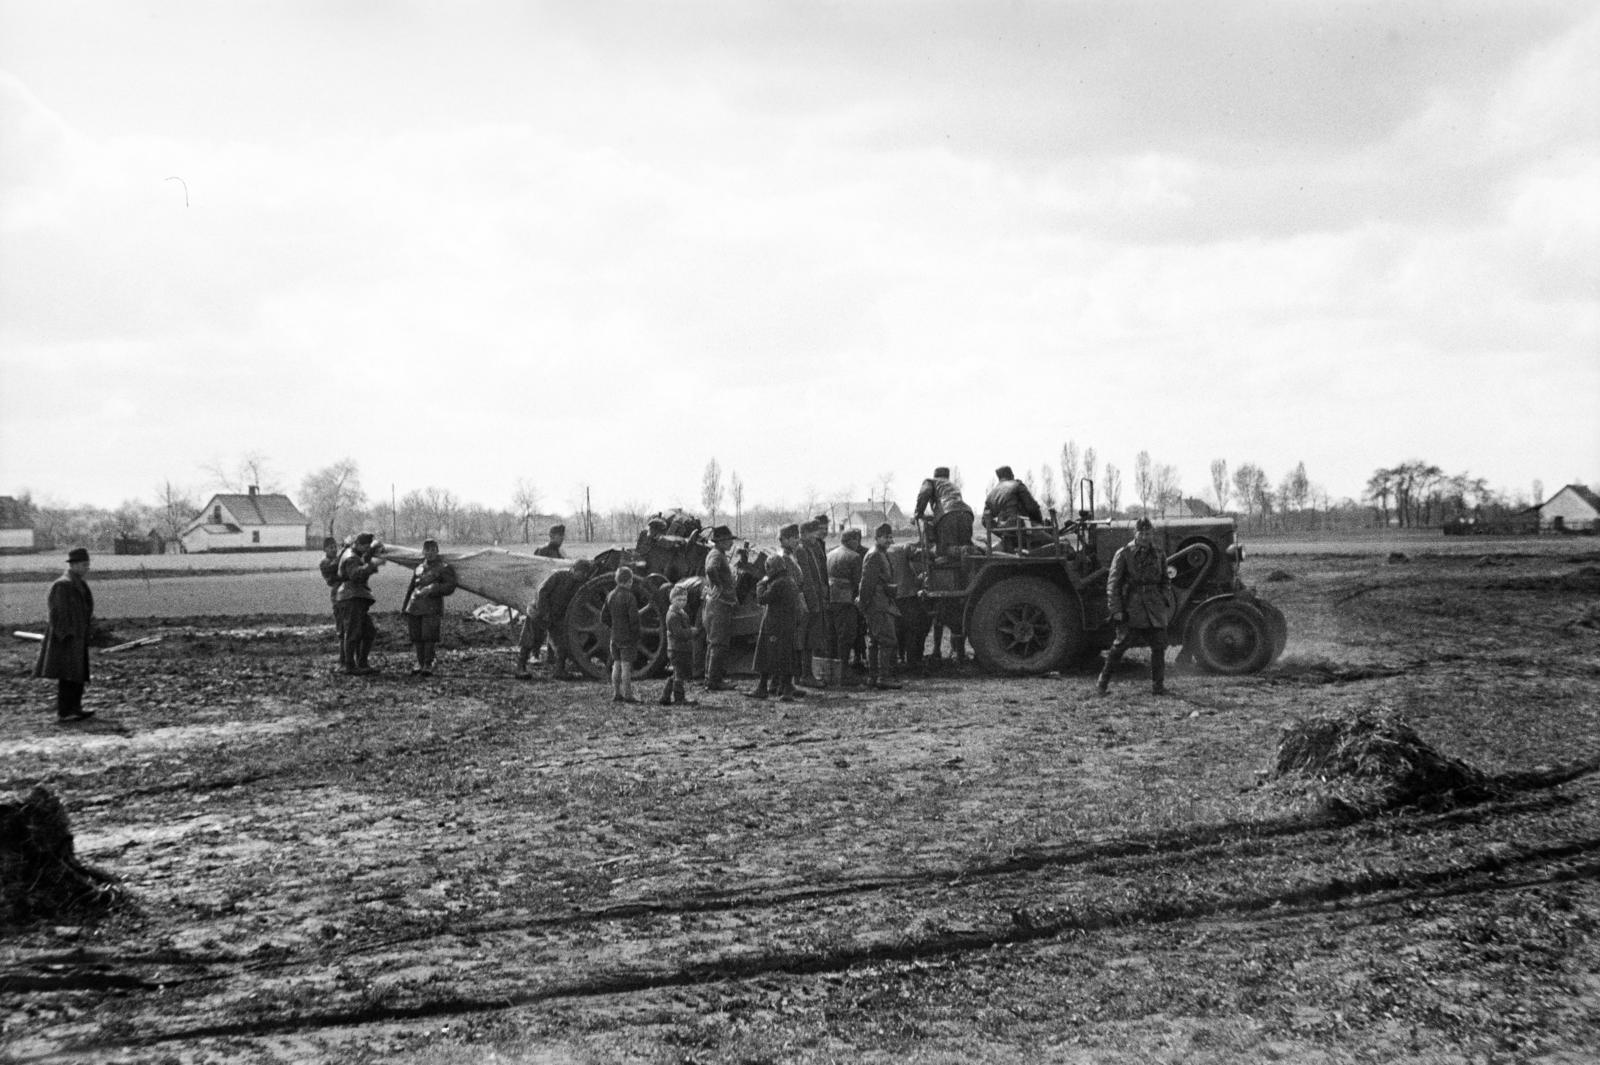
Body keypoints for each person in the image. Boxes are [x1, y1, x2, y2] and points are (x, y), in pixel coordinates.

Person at [1098, 517, 1177, 695]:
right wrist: (1116, 609)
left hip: (1154, 609)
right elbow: (1113, 584)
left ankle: (1158, 686)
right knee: (1119, 647)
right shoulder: (1124, 553)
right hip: (1131, 609)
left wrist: (1164, 597)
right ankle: (1102, 683)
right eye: (1141, 533)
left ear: (1151, 534)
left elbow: (1165, 579)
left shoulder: (1158, 553)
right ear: (1136, 533)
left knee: (1159, 647)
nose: (1144, 537)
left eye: (1148, 533)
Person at [34, 547, 96, 722]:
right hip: (67, 639)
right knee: (68, 675)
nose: (87, 568)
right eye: (84, 565)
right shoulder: (63, 584)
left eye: (87, 565)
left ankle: (75, 708)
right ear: (74, 565)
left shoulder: (77, 583)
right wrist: (67, 635)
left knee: (77, 675)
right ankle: (66, 710)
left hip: (77, 637)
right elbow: (57, 614)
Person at [516, 558, 594, 679]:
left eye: (586, 574)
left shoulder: (579, 585)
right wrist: (544, 612)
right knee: (530, 639)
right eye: (582, 573)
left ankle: (559, 670)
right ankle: (520, 668)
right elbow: (542, 591)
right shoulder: (559, 576)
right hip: (538, 612)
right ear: (574, 570)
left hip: (556, 617)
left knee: (562, 642)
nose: (584, 576)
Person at [857, 523, 904, 690]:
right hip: (878, 604)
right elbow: (866, 583)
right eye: (886, 537)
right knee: (887, 640)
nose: (890, 541)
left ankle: (873, 677)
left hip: (879, 603)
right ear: (876, 538)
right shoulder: (875, 555)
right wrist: (864, 604)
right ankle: (883, 678)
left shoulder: (879, 554)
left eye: (891, 537)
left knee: (875, 641)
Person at [401, 538, 458, 677]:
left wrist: (435, 588)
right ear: (423, 551)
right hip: (414, 606)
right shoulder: (419, 567)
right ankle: (419, 662)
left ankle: (428, 663)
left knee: (429, 636)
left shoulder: (444, 568)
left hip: (431, 607)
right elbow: (411, 587)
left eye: (433, 550)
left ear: (437, 551)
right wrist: (405, 606)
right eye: (427, 550)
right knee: (416, 636)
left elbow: (451, 585)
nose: (430, 553)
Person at [751, 554, 802, 701]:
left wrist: (760, 584)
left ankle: (766, 688)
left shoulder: (778, 583)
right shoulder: (789, 580)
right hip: (786, 624)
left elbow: (762, 599)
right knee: (783, 655)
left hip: (774, 625)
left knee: (768, 656)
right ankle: (783, 687)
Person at [336, 532, 385, 674]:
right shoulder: (351, 557)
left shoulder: (351, 553)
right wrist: (372, 565)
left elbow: (362, 560)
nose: (366, 549)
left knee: (368, 631)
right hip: (351, 597)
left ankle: (361, 663)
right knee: (352, 633)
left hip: (353, 597)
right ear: (358, 544)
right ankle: (350, 666)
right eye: (365, 546)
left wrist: (369, 560)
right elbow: (356, 575)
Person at [701, 525, 740, 692]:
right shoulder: (716, 554)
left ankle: (711, 678)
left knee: (715, 643)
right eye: (729, 540)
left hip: (717, 604)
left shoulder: (718, 554)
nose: (731, 543)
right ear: (721, 542)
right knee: (718, 643)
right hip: (720, 605)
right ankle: (714, 681)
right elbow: (711, 569)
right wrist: (720, 587)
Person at [825, 528, 863, 679]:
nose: (858, 543)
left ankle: (832, 670)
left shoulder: (830, 554)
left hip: (830, 598)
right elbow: (857, 581)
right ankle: (844, 670)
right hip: (846, 599)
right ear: (852, 540)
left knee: (831, 634)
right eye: (857, 539)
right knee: (846, 635)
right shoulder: (854, 557)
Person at [914, 466, 975, 560]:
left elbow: (925, 492)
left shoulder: (930, 481)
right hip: (967, 514)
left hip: (947, 514)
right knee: (963, 547)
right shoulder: (953, 485)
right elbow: (956, 507)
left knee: (942, 551)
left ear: (935, 475)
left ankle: (963, 550)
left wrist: (918, 513)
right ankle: (973, 550)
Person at [887, 538, 930, 671]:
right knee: (913, 629)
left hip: (892, 596)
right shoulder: (903, 548)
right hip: (906, 596)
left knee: (895, 630)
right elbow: (919, 554)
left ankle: (896, 661)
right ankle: (912, 661)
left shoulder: (880, 553)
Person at [604, 565, 643, 703]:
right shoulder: (630, 597)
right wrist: (636, 635)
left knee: (616, 664)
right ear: (630, 581)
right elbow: (634, 619)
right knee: (626, 667)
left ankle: (616, 693)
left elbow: (604, 617)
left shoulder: (610, 595)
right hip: (627, 637)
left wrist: (614, 626)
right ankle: (628, 695)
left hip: (614, 636)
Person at [983, 465, 1045, 551]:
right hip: (1024, 532)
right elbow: (1033, 508)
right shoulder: (1018, 486)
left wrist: (1001, 532)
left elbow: (985, 520)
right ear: (1011, 475)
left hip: (1007, 536)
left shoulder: (991, 494)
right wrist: (1041, 525)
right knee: (1056, 543)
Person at [798, 518, 830, 683]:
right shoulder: (802, 550)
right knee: (806, 639)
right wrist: (813, 604)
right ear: (803, 534)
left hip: (815, 599)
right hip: (809, 602)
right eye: (812, 533)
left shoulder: (812, 548)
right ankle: (805, 675)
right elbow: (807, 579)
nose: (816, 536)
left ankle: (805, 674)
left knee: (811, 638)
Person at [659, 582, 697, 706]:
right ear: (672, 599)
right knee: (679, 675)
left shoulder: (680, 613)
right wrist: (690, 631)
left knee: (677, 673)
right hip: (677, 649)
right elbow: (678, 633)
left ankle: (665, 696)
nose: (682, 602)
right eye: (679, 599)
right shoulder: (673, 616)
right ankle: (679, 698)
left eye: (684, 599)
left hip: (681, 648)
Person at [318, 536, 345, 659]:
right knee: (341, 626)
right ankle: (342, 657)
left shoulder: (339, 559)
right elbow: (335, 566)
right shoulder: (324, 562)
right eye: (331, 547)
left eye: (335, 547)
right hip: (337, 594)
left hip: (344, 591)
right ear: (325, 549)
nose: (334, 549)